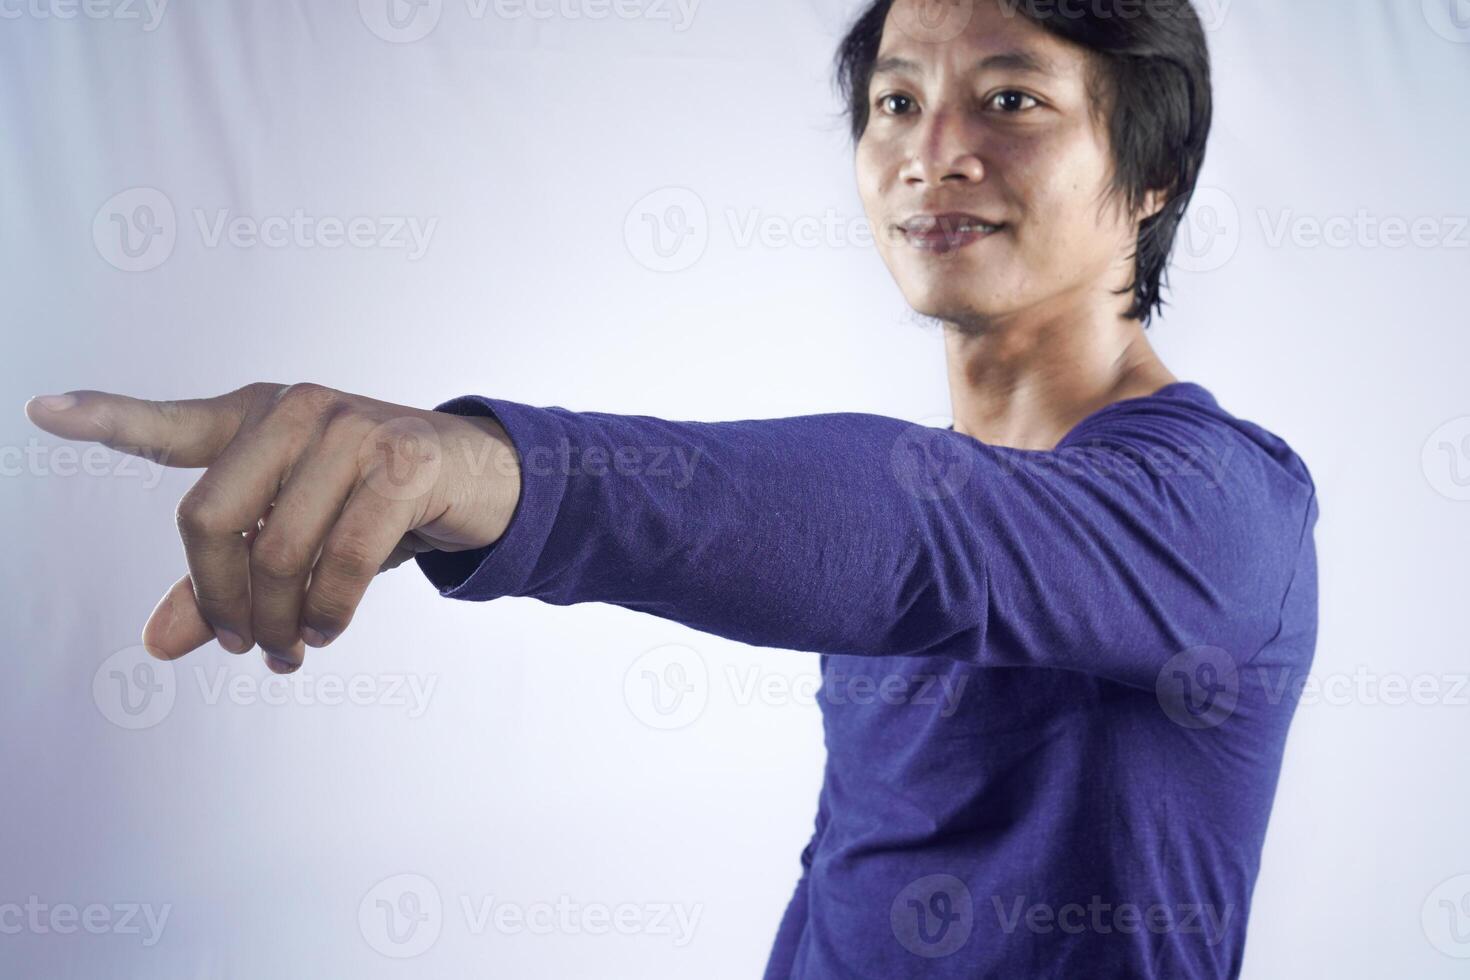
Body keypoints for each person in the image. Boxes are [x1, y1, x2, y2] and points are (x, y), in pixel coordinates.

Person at [23, 0, 1318, 976]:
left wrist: (490, 466)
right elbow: (856, 863)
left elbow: (922, 520)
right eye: (892, 101)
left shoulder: (1221, 514)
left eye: (1010, 101)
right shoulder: (911, 519)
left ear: (1150, 177)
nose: (932, 152)